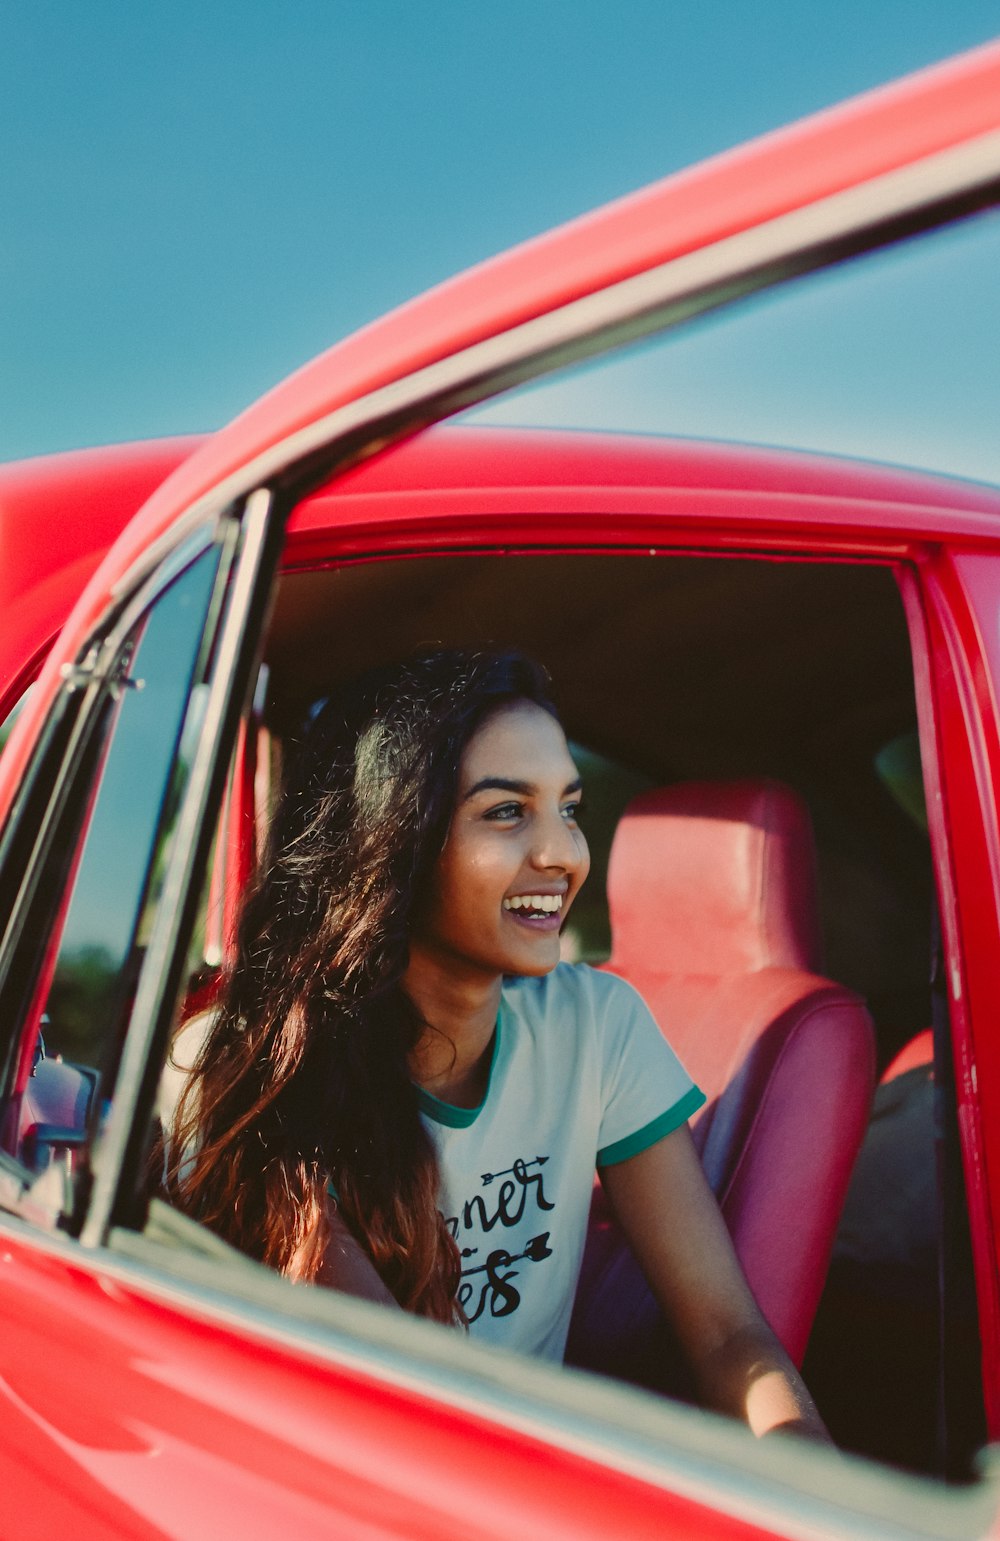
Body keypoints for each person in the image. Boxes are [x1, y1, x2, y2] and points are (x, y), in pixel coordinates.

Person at [166, 647, 828, 1441]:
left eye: (570, 808)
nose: (563, 853)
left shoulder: (597, 1023)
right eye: (507, 811)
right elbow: (410, 1409)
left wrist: (809, 1480)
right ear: (394, 841)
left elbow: (728, 1334)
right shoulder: (255, 1065)